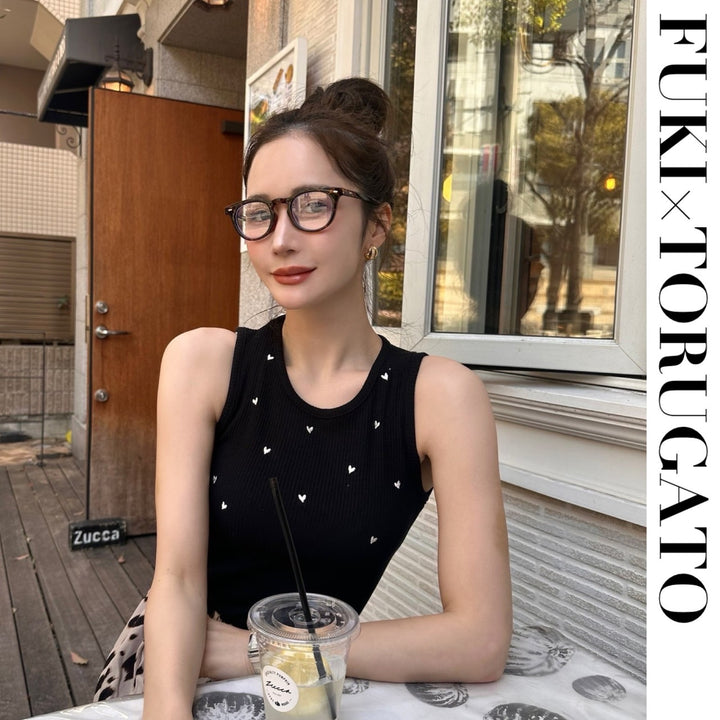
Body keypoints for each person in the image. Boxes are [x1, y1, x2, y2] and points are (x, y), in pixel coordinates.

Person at [94, 77, 512, 720]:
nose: (280, 239)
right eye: (259, 212)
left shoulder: (441, 398)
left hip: (312, 690)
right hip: (181, 671)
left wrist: (261, 649)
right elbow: (175, 581)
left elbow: (480, 641)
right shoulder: (203, 365)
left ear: (377, 224)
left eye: (314, 204)